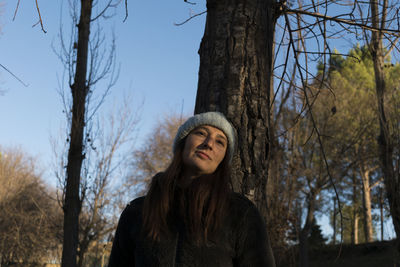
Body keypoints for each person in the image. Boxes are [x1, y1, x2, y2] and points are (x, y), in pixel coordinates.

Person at [108, 111, 274, 267]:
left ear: (223, 159)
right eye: (201, 133)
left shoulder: (241, 214)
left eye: (220, 142)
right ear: (184, 142)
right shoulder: (138, 211)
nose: (208, 144)